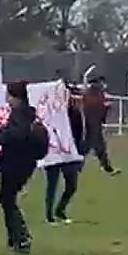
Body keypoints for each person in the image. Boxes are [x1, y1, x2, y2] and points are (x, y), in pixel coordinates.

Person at [0, 81, 49, 254]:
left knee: (7, 200)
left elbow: (15, 135)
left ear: (16, 97)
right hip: (23, 162)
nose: (7, 99)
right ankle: (14, 239)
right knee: (6, 199)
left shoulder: (20, 115)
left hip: (16, 163)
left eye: (9, 96)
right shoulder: (27, 114)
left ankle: (21, 237)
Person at [45, 84, 84, 224]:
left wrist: (79, 155)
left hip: (70, 153)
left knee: (72, 185)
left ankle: (60, 210)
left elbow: (79, 134)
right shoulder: (53, 112)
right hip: (54, 150)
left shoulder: (75, 113)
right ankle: (49, 215)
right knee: (52, 184)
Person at [82, 78, 118, 175]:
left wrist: (105, 108)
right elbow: (93, 108)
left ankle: (106, 167)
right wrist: (105, 108)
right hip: (91, 125)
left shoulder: (96, 94)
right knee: (96, 147)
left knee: (94, 147)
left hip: (93, 125)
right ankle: (106, 167)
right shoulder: (92, 94)